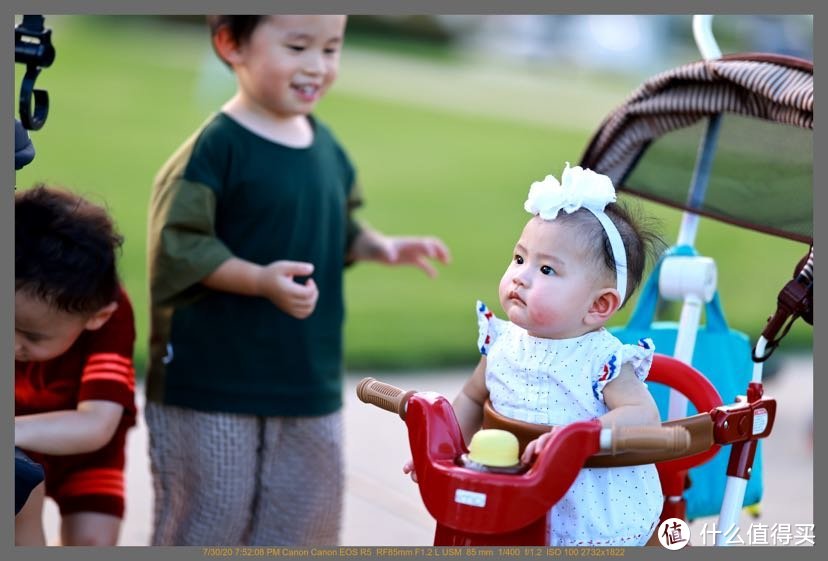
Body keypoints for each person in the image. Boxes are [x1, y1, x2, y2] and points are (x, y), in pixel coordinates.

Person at [145, 14, 450, 546]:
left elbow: (335, 223)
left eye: (331, 48)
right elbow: (180, 246)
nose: (317, 65)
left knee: (303, 521)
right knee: (208, 520)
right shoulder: (216, 148)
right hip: (214, 381)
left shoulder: (324, 146)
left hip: (305, 378)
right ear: (230, 44)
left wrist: (379, 246)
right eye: (297, 46)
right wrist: (259, 280)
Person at [408, 163, 665, 546]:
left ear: (599, 305)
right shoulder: (501, 342)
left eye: (546, 269)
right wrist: (443, 452)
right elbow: (473, 398)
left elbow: (644, 417)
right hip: (510, 503)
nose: (521, 276)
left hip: (586, 514)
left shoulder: (602, 360)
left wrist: (586, 435)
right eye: (519, 259)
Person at [15, 185, 137, 546]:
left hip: (85, 457)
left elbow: (96, 425)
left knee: (92, 543)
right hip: (19, 446)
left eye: (32, 337)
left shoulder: (111, 316)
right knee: (21, 521)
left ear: (97, 317)